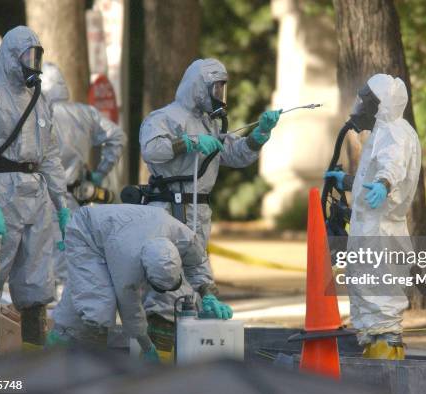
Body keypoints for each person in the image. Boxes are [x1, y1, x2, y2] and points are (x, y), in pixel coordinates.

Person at [139, 58, 280, 348]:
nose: (220, 94)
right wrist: (187, 143)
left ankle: (185, 360)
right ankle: (160, 356)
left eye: (222, 88)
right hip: (170, 207)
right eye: (215, 87)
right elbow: (152, 150)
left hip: (198, 210)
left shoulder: (211, 123)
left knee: (194, 281)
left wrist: (260, 135)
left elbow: (235, 154)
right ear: (198, 88)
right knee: (166, 282)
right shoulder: (166, 117)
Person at [0, 26, 69, 350]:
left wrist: (61, 202)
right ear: (10, 56)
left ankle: (31, 362)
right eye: (26, 55)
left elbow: (50, 155)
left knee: (36, 285)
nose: (32, 62)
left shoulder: (40, 101)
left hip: (36, 199)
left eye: (36, 55)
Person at [47, 204, 232, 362]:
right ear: (145, 271)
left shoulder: (180, 234)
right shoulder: (128, 261)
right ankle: (91, 366)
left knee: (87, 294)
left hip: (113, 232)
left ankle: (57, 343)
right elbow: (130, 309)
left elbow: (197, 261)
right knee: (98, 308)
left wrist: (208, 294)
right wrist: (147, 346)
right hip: (85, 233)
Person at [324, 74, 421, 360]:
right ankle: (376, 355)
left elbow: (393, 166)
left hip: (381, 232)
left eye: (367, 101)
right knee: (370, 299)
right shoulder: (385, 131)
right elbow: (375, 173)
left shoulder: (393, 132)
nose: (361, 106)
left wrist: (384, 183)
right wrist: (347, 181)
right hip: (373, 228)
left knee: (380, 302)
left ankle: (385, 364)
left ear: (382, 104)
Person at [41, 62, 126, 282]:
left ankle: (46, 312)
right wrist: (100, 172)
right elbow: (117, 137)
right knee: (70, 259)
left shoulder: (36, 114)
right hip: (74, 198)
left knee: (39, 264)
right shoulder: (85, 113)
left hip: (39, 196)